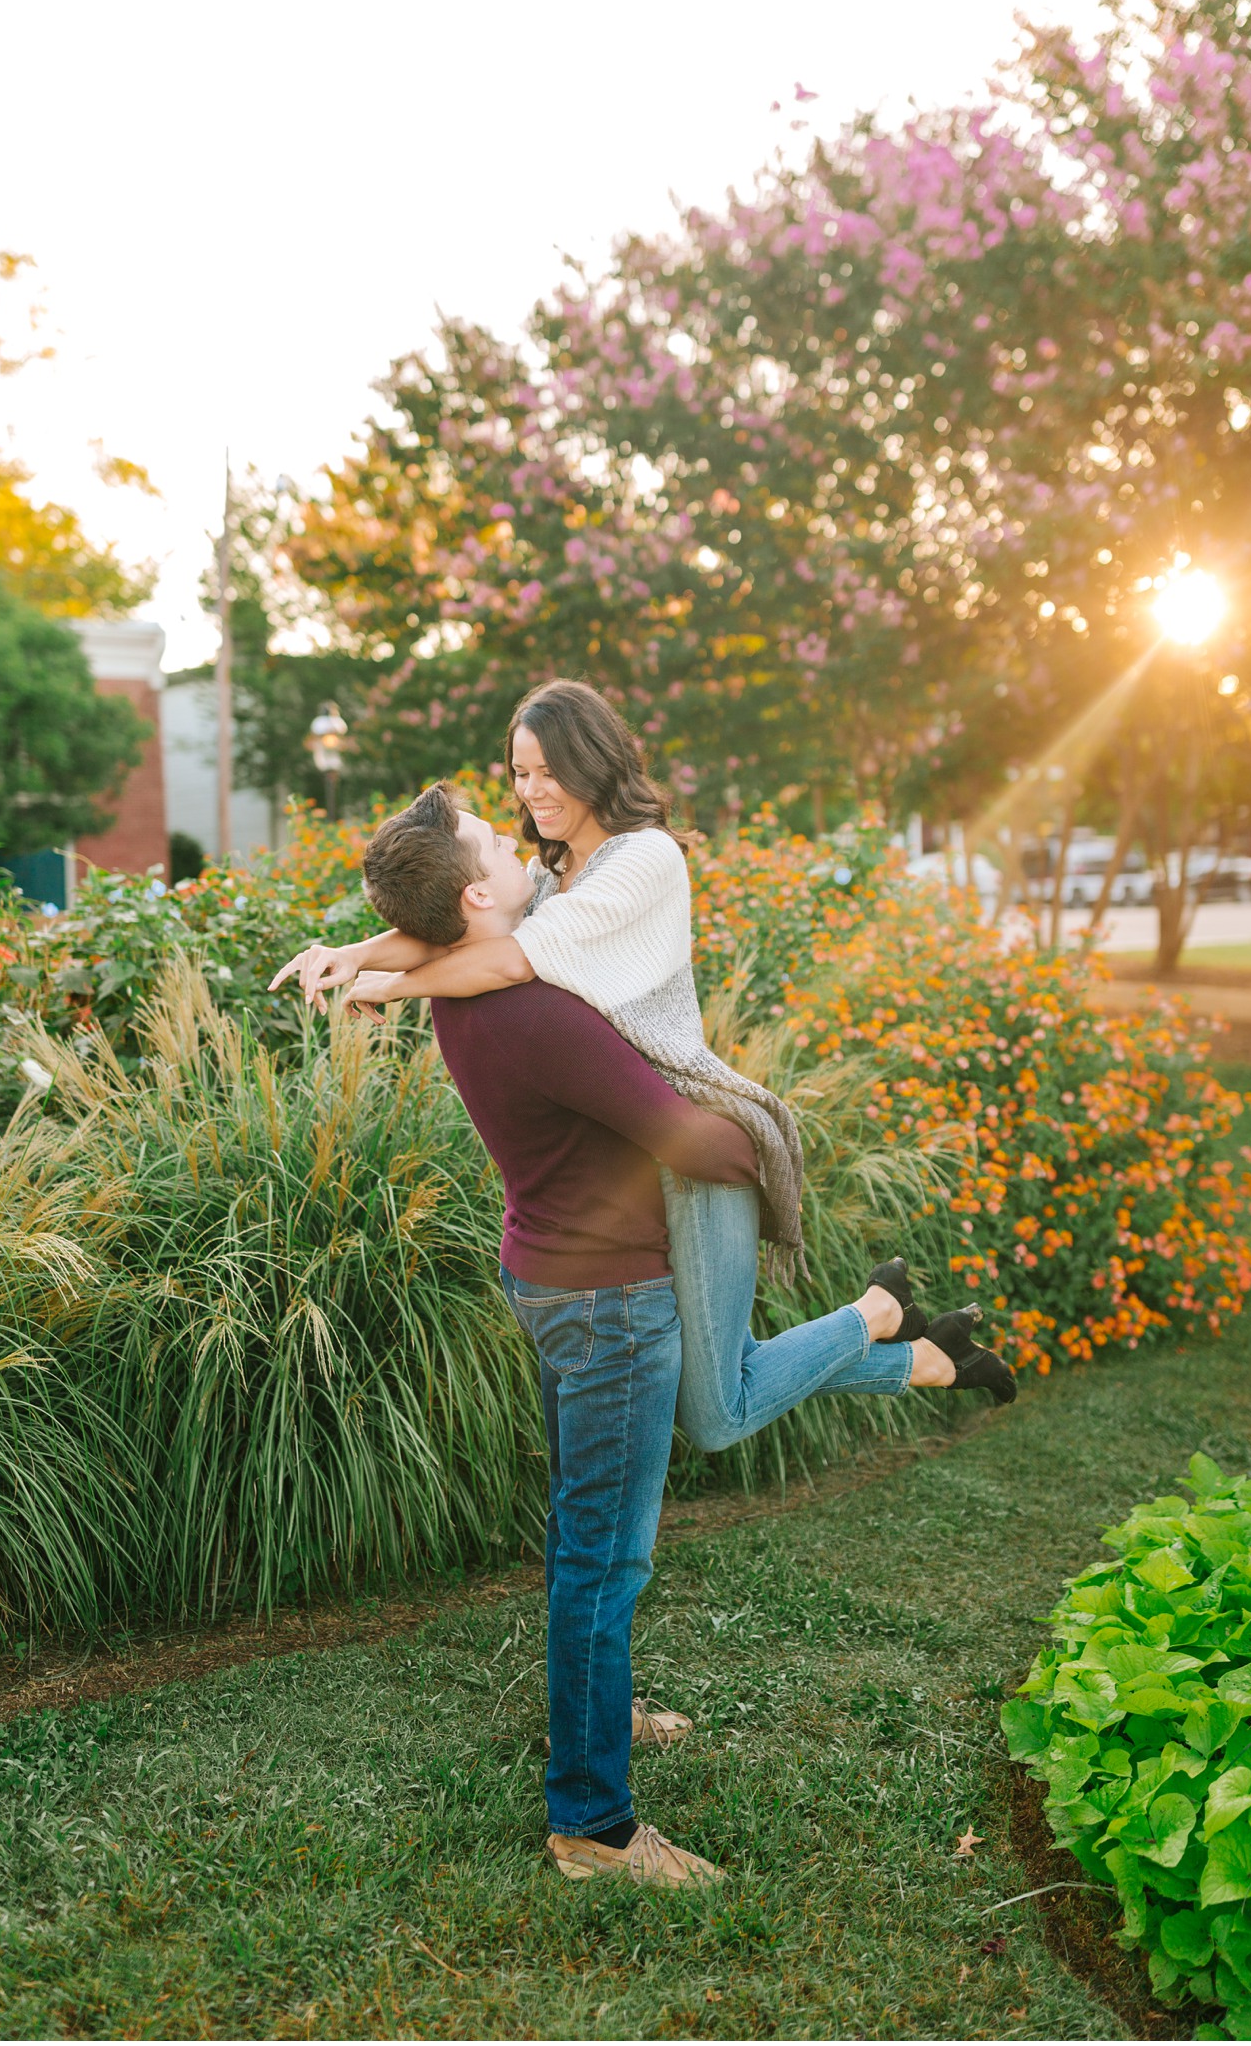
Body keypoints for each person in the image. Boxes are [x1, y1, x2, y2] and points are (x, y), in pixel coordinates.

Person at [274, 784, 968, 1888]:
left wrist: (364, 963)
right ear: (476, 894)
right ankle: (592, 1826)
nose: (524, 844)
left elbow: (468, 947)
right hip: (611, 1307)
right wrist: (760, 1149)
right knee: (606, 1560)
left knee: (583, 1539)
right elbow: (681, 1138)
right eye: (499, 846)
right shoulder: (535, 1009)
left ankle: (601, 1711)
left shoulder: (473, 989)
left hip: (546, 1278)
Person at [271, 681, 1016, 1433]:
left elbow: (507, 960)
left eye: (545, 771)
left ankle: (876, 1311)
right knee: (724, 1391)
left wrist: (391, 987)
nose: (530, 793)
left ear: (589, 762)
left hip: (693, 1126)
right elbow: (466, 921)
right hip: (638, 1139)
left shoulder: (642, 861)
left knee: (718, 1413)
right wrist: (352, 953)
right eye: (519, 774)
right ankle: (921, 1356)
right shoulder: (552, 870)